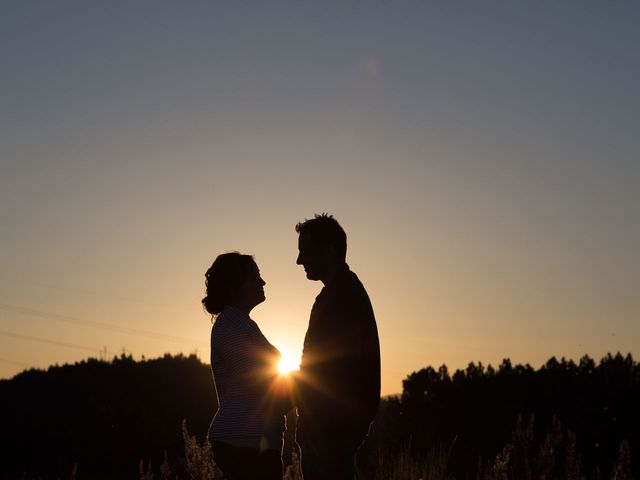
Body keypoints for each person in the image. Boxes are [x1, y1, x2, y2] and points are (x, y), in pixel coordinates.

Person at [293, 214, 381, 480]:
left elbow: (336, 369)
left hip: (330, 432)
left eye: (305, 252)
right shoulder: (337, 294)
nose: (299, 261)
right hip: (329, 432)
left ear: (328, 250)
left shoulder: (344, 296)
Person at [202, 252, 291, 480]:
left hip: (249, 443)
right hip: (243, 444)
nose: (262, 282)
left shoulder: (240, 323)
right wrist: (308, 391)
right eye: (255, 277)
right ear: (236, 285)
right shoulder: (231, 325)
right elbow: (257, 384)